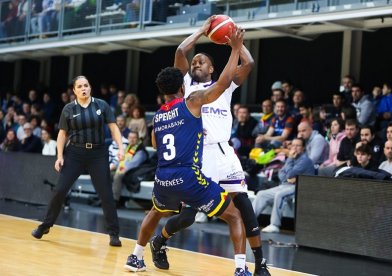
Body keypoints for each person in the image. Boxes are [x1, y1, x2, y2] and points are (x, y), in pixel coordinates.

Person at [124, 25, 250, 276]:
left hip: (162, 177)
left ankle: (135, 256)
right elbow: (223, 82)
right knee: (235, 216)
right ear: (182, 86)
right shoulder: (191, 103)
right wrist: (235, 48)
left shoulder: (158, 116)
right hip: (189, 176)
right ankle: (240, 269)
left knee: (156, 211)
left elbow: (154, 144)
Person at [153, 17, 269, 275]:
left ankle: (257, 264)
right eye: (195, 62)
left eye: (201, 61)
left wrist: (234, 43)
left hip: (224, 152)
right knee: (187, 217)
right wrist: (203, 31)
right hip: (196, 155)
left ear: (212, 69)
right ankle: (159, 240)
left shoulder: (225, 84)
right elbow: (181, 51)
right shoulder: (186, 87)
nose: (195, 63)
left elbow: (248, 63)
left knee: (243, 205)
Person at [31, 76, 125, 247]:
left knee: (106, 194)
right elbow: (62, 134)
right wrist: (60, 156)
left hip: (98, 153)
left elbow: (113, 127)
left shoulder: (101, 105)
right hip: (75, 153)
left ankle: (114, 234)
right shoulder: (68, 109)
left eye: (86, 85)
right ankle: (45, 225)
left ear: (90, 88)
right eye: (80, 86)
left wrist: (121, 147)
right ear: (74, 91)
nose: (84, 89)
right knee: (60, 190)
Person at [252, 138, 315, 233]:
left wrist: (290, 160)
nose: (295, 148)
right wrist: (289, 177)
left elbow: (289, 173)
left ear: (303, 148)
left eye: (298, 146)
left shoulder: (305, 160)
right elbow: (281, 174)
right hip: (285, 185)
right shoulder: (293, 158)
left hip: (300, 187)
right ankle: (248, 221)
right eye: (293, 145)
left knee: (280, 195)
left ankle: (274, 225)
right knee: (261, 194)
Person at [112, 131, 148, 206]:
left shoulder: (140, 150)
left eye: (134, 138)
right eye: (130, 137)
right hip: (124, 169)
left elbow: (132, 164)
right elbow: (121, 160)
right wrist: (113, 167)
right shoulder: (128, 147)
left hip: (133, 173)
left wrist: (119, 170)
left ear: (138, 139)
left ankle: (115, 200)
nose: (132, 139)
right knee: (107, 174)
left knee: (118, 176)